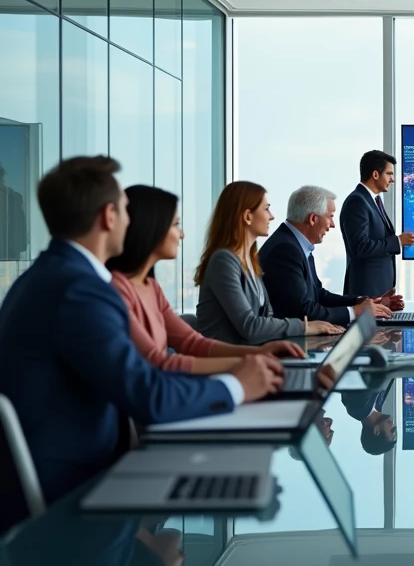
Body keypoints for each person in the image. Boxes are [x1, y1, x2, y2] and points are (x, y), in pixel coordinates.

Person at [0, 157, 282, 534]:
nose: (133, 221)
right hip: (75, 492)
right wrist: (238, 385)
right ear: (108, 217)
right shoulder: (80, 291)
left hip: (90, 468)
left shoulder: (56, 276)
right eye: (126, 209)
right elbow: (147, 390)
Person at [106, 185, 306, 373]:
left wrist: (260, 353)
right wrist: (249, 362)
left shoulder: (151, 288)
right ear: (150, 229)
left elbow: (192, 342)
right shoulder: (119, 291)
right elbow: (158, 363)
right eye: (176, 224)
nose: (182, 234)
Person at [195, 181, 342, 344]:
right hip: (229, 362)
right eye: (266, 209)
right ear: (247, 216)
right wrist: (306, 327)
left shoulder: (249, 261)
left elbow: (267, 318)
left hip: (254, 353)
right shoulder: (223, 261)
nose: (271, 216)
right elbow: (250, 326)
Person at [260, 185, 392, 328]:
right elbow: (302, 311)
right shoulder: (286, 249)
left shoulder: (296, 244)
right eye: (330, 216)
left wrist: (362, 302)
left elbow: (318, 295)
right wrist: (355, 312)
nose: (333, 225)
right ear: (313, 219)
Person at [340, 150, 414, 298]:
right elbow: (360, 247)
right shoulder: (357, 202)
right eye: (389, 174)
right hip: (366, 293)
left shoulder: (373, 200)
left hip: (379, 293)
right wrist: (397, 241)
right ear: (375, 174)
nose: (393, 179)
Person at [341, 378, 397, 455]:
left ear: (376, 431)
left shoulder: (357, 407)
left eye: (391, 431)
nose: (393, 426)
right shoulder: (378, 405)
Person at [0, 159, 28, 261]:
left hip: (10, 245)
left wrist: (21, 245)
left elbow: (21, 222)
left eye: (2, 179)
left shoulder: (14, 197)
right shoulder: (14, 197)